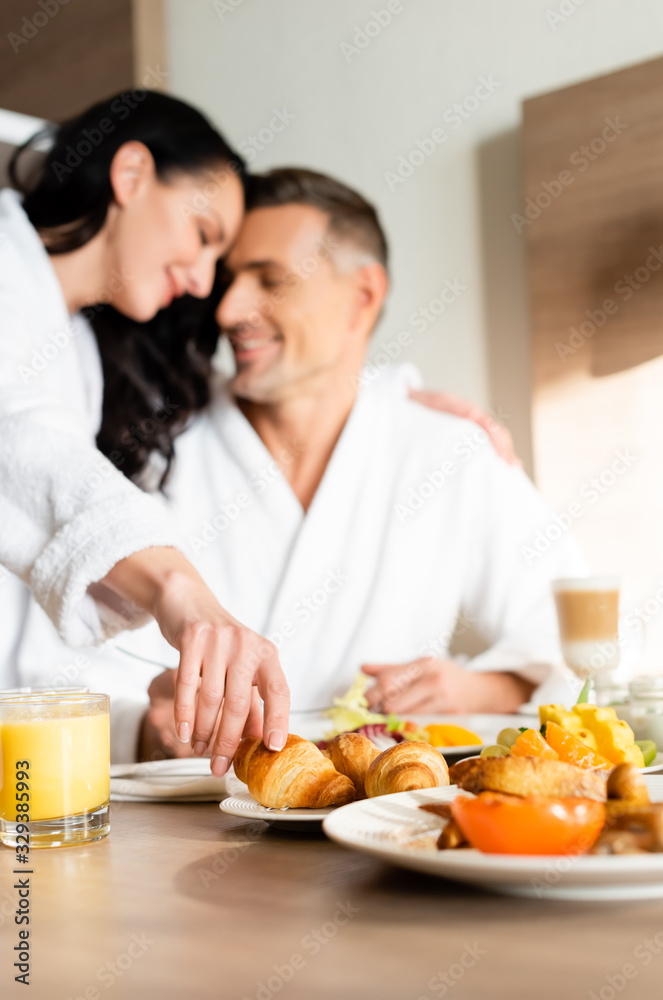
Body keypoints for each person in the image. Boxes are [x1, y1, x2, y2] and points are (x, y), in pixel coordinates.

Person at [107, 166, 585, 760]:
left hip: (381, 821)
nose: (228, 310)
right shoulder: (155, 444)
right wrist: (145, 734)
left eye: (270, 280)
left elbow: (580, 631)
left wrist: (481, 686)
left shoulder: (447, 450)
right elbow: (56, 668)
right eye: (229, 280)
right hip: (186, 826)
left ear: (363, 295)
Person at [0, 91, 291, 774]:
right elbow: (14, 438)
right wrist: (175, 588)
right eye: (203, 235)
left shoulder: (80, 350)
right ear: (130, 175)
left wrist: (140, 728)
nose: (198, 281)